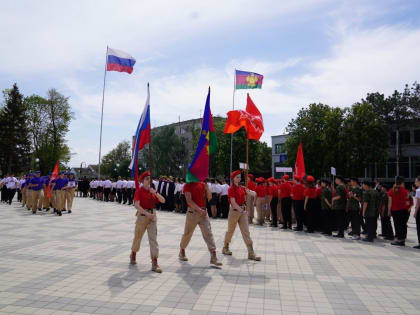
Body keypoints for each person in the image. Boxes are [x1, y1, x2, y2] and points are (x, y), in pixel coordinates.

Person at [178, 178, 222, 266]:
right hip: (192, 213)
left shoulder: (203, 184)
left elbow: (209, 198)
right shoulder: (187, 186)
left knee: (208, 233)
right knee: (188, 234)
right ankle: (182, 250)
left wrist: (207, 189)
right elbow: (189, 201)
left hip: (203, 213)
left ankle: (213, 255)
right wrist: (199, 210)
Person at [130, 171, 165, 272]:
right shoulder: (139, 191)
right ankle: (133, 253)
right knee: (138, 237)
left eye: (150, 179)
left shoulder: (153, 191)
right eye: (147, 179)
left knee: (153, 239)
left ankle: (155, 262)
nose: (149, 181)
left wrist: (155, 193)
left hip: (152, 217)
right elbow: (137, 205)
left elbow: (163, 200)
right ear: (142, 180)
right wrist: (146, 213)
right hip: (142, 216)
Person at [222, 170, 260, 261]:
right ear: (233, 178)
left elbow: (253, 193)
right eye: (237, 177)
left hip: (242, 211)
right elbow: (233, 203)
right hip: (235, 211)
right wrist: (242, 211)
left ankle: (251, 253)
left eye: (239, 177)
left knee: (246, 232)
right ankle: (225, 247)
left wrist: (251, 191)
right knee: (230, 231)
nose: (239, 179)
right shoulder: (231, 189)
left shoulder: (242, 188)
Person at [388, 176, 410, 246]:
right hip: (404, 210)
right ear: (402, 182)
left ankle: (398, 240)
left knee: (397, 225)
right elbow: (408, 202)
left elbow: (390, 202)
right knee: (403, 225)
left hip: (395, 210)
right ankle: (402, 239)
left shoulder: (391, 190)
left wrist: (389, 210)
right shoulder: (405, 191)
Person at [414, 176, 420, 249]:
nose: (415, 182)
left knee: (419, 227)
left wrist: (415, 212)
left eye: (416, 181)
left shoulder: (418, 190)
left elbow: (418, 203)